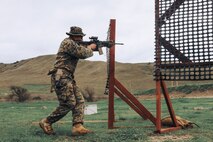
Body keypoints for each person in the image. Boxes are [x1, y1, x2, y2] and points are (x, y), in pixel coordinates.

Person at [39, 26, 97, 136]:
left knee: (80, 101)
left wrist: (89, 47)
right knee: (68, 103)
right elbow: (83, 54)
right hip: (61, 76)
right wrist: (91, 48)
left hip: (68, 77)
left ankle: (78, 127)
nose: (81, 38)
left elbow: (81, 50)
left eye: (81, 37)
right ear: (72, 36)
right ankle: (46, 121)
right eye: (79, 36)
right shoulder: (68, 43)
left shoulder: (74, 43)